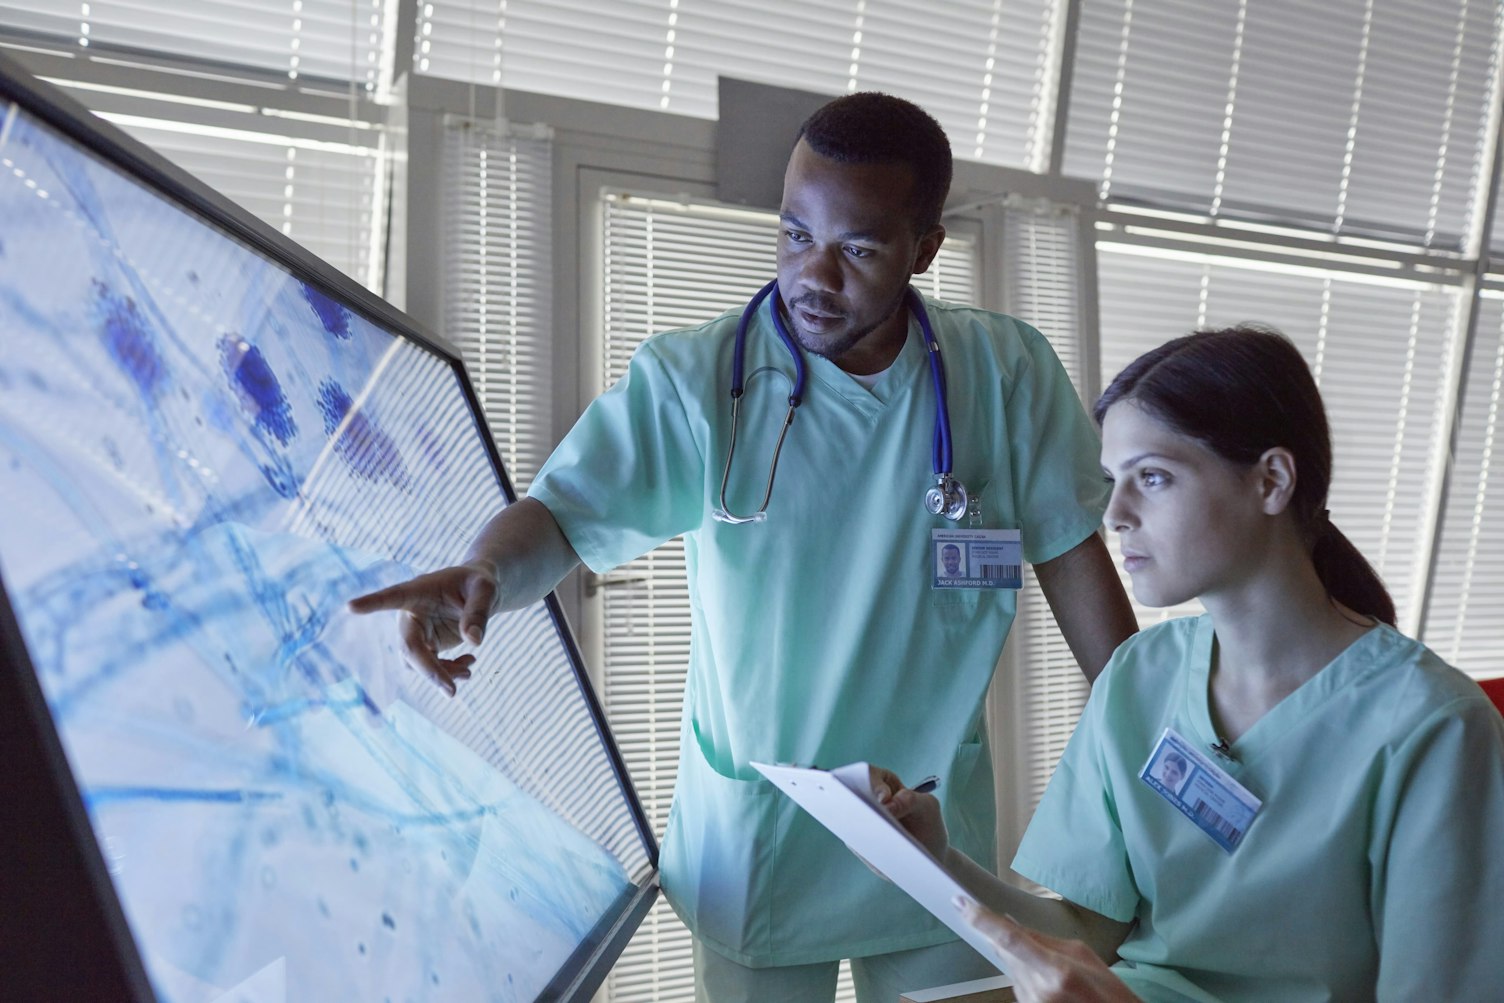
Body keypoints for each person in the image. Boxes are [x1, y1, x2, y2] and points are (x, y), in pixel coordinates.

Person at [349, 91, 1138, 1002]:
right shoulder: (701, 383)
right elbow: (564, 514)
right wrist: (487, 567)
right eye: (796, 233)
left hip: (932, 834)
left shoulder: (1003, 376)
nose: (814, 275)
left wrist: (1151, 774)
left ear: (924, 251)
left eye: (859, 249)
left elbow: (1085, 584)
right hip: (760, 848)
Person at [875, 326, 1504, 1002]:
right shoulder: (1139, 676)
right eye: (1113, 481)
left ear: (1271, 480)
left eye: (1153, 477)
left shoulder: (1435, 727)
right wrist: (937, 860)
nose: (1115, 513)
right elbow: (1088, 932)